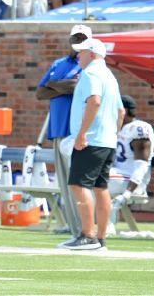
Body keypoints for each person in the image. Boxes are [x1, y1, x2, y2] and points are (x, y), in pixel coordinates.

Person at [59, 37, 123, 252]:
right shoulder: (110, 76)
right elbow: (121, 111)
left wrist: (82, 134)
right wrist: (113, 133)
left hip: (92, 140)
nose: (78, 55)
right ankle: (101, 238)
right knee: (100, 187)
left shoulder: (91, 73)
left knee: (78, 185)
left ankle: (88, 236)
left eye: (82, 52)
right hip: (107, 140)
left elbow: (94, 101)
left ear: (92, 54)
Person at [37, 24, 89, 238]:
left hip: (75, 130)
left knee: (77, 181)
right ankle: (71, 224)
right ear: (70, 40)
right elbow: (40, 92)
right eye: (75, 37)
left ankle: (84, 226)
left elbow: (76, 87)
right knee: (64, 181)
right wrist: (62, 85)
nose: (78, 41)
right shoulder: (58, 63)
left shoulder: (89, 64)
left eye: (82, 37)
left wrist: (54, 85)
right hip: (58, 128)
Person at [108, 94, 154, 231]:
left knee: (92, 179)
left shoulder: (138, 128)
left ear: (124, 111)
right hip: (119, 175)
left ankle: (106, 224)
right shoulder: (118, 128)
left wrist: (128, 193)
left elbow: (142, 164)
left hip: (132, 179)